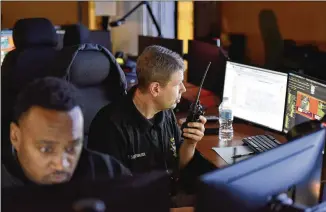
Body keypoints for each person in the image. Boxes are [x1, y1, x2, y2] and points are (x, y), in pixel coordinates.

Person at [87, 46, 214, 195]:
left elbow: (177, 166)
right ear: (155, 89)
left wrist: (190, 143)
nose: (183, 89)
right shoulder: (109, 126)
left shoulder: (166, 112)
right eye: (177, 83)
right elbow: (117, 197)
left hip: (168, 197)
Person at [2, 77, 131, 188]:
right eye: (46, 149)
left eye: (71, 148)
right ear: (15, 137)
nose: (61, 165)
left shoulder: (107, 172)